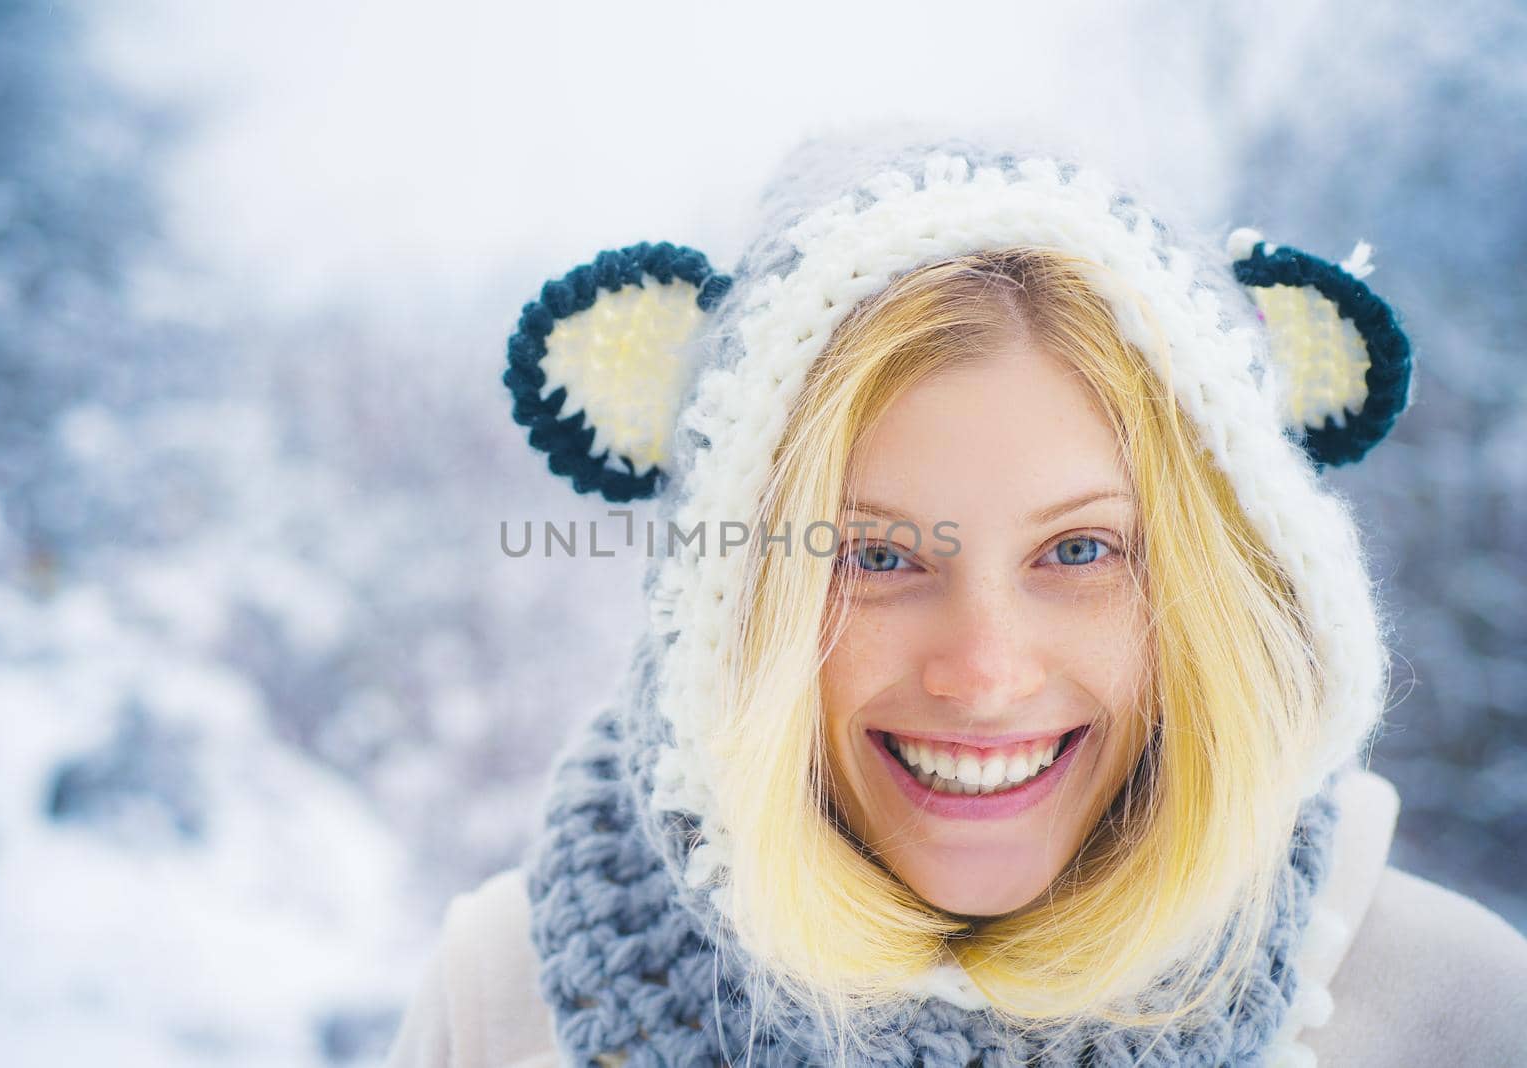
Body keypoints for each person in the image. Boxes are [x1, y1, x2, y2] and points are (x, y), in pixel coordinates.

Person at [385, 130, 1527, 1066]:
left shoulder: (1458, 1014)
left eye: (1079, 552)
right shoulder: (504, 1001)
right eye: (877, 558)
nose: (983, 672)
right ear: (733, 609)